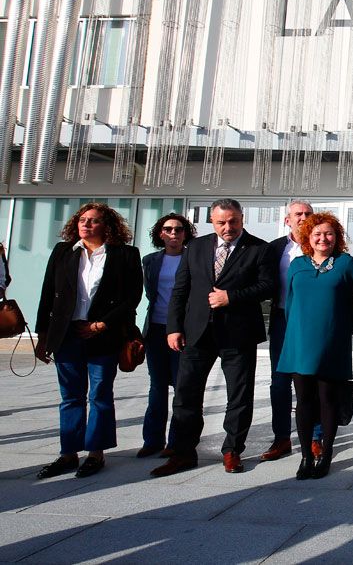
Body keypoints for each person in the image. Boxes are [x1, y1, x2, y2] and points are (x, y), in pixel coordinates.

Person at [152, 198, 273, 477]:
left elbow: (267, 286)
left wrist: (231, 297)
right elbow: (180, 290)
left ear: (242, 218)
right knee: (186, 395)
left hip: (237, 334)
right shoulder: (195, 247)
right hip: (197, 333)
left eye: (233, 221)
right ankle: (183, 452)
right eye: (221, 222)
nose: (228, 227)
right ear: (211, 221)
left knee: (239, 396)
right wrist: (174, 327)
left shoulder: (259, 248)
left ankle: (232, 450)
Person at [33, 203, 143, 479]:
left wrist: (102, 323)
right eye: (83, 220)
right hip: (66, 334)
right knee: (70, 397)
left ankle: (96, 453)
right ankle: (68, 453)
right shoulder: (63, 252)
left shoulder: (125, 254)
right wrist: (42, 335)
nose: (86, 225)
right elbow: (47, 294)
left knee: (100, 394)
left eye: (93, 221)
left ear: (107, 226)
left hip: (103, 334)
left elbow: (132, 298)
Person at [276, 213, 353, 480]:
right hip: (299, 340)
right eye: (317, 234)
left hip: (331, 341)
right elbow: (289, 303)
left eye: (329, 234)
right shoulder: (298, 264)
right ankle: (305, 456)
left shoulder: (346, 263)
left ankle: (325, 454)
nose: (323, 238)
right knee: (303, 400)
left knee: (327, 399)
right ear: (307, 238)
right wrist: (296, 332)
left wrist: (348, 326)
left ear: (336, 237)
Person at [260, 200, 319, 462]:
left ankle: (316, 437)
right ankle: (281, 437)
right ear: (287, 220)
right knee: (280, 381)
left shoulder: (322, 245)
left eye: (308, 214)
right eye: (298, 214)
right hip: (283, 320)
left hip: (313, 323)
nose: (303, 217)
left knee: (313, 380)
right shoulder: (274, 249)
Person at [138, 212, 197, 459]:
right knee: (157, 387)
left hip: (183, 330)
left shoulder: (193, 259)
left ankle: (176, 441)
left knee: (182, 388)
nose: (173, 234)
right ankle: (152, 440)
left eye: (179, 229)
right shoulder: (150, 260)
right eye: (168, 229)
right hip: (156, 329)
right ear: (160, 233)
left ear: (186, 234)